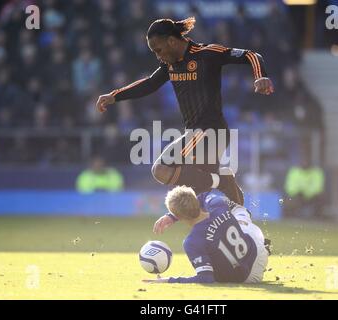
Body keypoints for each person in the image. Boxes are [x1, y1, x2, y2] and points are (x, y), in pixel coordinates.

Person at [96, 17, 274, 208]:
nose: (158, 56)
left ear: (171, 41)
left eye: (158, 50)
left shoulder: (206, 54)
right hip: (197, 134)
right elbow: (150, 84)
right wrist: (115, 95)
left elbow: (251, 55)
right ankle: (244, 226)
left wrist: (260, 75)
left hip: (209, 131)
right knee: (207, 193)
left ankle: (223, 181)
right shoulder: (170, 64)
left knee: (161, 170)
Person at [143, 186, 270, 284]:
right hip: (258, 251)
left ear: (180, 216)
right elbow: (205, 195)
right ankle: (260, 240)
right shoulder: (217, 204)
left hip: (249, 278)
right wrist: (172, 216)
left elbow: (205, 278)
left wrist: (169, 280)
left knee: (215, 249)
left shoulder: (192, 242)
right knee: (240, 213)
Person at [283, 154, 326, 219]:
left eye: (307, 161)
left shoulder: (317, 172)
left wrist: (307, 193)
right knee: (290, 198)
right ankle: (294, 216)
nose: (305, 163)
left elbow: (318, 188)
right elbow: (289, 187)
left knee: (322, 196)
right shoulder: (294, 171)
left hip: (312, 196)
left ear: (310, 163)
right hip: (297, 195)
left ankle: (317, 216)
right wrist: (299, 191)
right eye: (303, 161)